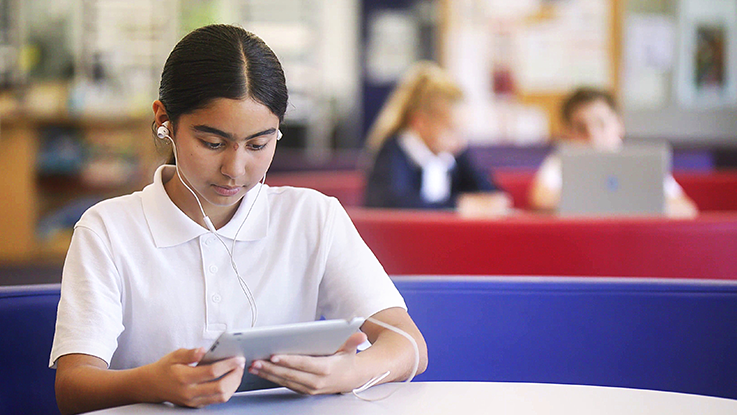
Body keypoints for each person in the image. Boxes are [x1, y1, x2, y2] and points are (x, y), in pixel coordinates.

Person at [50, 25, 427, 415]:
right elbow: (74, 387)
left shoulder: (313, 217)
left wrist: (346, 372)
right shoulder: (108, 230)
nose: (235, 168)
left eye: (258, 144)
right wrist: (153, 383)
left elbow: (409, 344)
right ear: (165, 119)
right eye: (212, 144)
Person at [363, 61, 510, 216]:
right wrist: (457, 205)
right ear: (420, 123)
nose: (461, 141)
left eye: (462, 131)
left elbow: (488, 191)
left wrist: (491, 200)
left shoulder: (453, 153)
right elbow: (392, 204)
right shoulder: (392, 152)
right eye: (451, 130)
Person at [529, 87, 698, 217]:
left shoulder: (640, 164)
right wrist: (624, 200)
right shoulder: (560, 161)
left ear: (619, 125)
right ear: (568, 133)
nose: (592, 135)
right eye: (581, 128)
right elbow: (542, 199)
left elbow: (686, 209)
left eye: (601, 124)